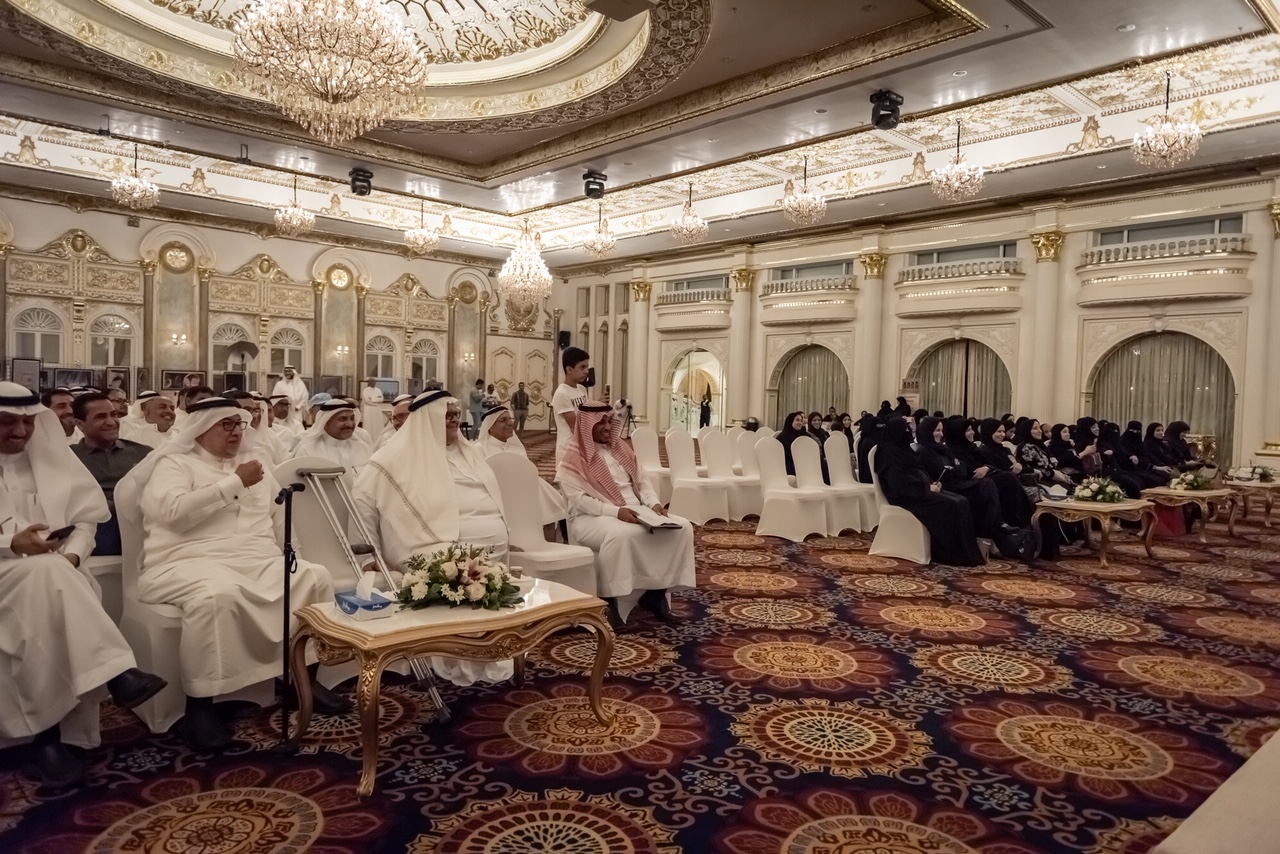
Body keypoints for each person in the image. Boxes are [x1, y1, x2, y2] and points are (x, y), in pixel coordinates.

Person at [125, 397, 347, 751]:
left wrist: (294, 557)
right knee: (216, 595)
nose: (235, 432)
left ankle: (301, 681)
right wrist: (234, 483)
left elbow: (279, 518)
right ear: (200, 429)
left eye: (238, 424)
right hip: (186, 561)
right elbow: (173, 514)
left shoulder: (254, 465)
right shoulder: (174, 464)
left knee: (313, 577)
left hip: (256, 560)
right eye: (225, 425)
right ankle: (199, 708)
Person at [0, 382, 166, 786]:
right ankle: (115, 673)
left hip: (57, 574)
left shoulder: (52, 461)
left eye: (27, 422)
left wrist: (72, 557)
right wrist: (11, 544)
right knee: (48, 578)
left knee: (48, 583)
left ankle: (47, 739)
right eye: (6, 422)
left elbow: (86, 521)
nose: (20, 432)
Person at [352, 390, 514, 687]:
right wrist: (366, 556)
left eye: (456, 416)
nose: (454, 421)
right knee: (458, 571)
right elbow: (362, 505)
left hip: (486, 549)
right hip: (423, 544)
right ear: (427, 420)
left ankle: (490, 648)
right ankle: (457, 654)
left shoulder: (468, 452)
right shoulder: (391, 459)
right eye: (447, 416)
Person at [558, 402, 696, 631]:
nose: (607, 427)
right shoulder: (573, 458)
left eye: (609, 421)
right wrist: (616, 512)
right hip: (591, 517)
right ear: (586, 426)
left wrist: (654, 504)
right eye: (600, 422)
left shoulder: (621, 449)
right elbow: (580, 501)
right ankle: (608, 603)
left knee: (682, 528)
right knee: (620, 535)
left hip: (635, 510)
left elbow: (642, 482)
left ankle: (655, 594)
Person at [873, 416, 985, 566]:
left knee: (961, 500)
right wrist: (925, 487)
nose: (908, 433)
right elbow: (898, 482)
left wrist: (932, 483)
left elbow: (918, 471)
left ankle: (968, 554)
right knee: (951, 505)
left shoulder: (904, 449)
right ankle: (949, 554)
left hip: (918, 490)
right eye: (904, 430)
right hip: (905, 496)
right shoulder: (888, 453)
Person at [70, 392, 152, 556]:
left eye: (113, 415)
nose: (111, 422)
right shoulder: (69, 458)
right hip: (97, 531)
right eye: (100, 417)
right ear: (79, 424)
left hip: (144, 525)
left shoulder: (143, 453)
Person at [477, 404, 567, 538]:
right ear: (490, 427)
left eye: (510, 419)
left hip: (525, 495)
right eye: (503, 420)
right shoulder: (479, 449)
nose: (510, 423)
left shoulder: (517, 449)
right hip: (497, 498)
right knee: (547, 502)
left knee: (549, 517)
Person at [916, 416, 1002, 538]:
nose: (941, 434)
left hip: (958, 483)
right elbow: (943, 473)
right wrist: (955, 468)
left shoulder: (944, 449)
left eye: (941, 430)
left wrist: (954, 468)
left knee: (989, 485)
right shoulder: (924, 452)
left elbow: (962, 468)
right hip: (947, 487)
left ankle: (994, 529)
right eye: (937, 430)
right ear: (928, 432)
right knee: (986, 486)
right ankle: (990, 532)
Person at [292, 399, 371, 471]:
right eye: (343, 419)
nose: (350, 424)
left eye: (352, 418)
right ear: (325, 422)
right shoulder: (308, 452)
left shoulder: (363, 448)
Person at [552, 347, 590, 467]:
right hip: (567, 448)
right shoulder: (562, 393)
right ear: (569, 369)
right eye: (582, 367)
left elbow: (586, 416)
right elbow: (574, 426)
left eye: (587, 367)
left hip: (582, 446)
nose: (587, 371)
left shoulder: (582, 389)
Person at [359, 378, 386, 445]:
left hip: (377, 409)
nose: (372, 382)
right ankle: (369, 441)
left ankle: (378, 441)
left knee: (377, 424)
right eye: (371, 381)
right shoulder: (365, 390)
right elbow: (367, 400)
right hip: (368, 409)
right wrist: (376, 400)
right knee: (369, 424)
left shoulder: (378, 390)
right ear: (368, 382)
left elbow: (381, 399)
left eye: (374, 381)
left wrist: (372, 399)